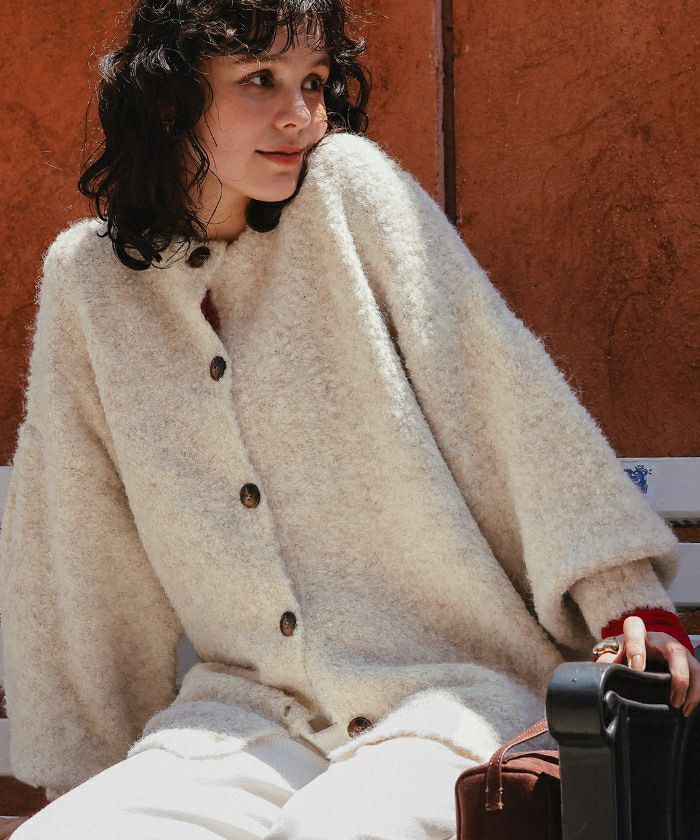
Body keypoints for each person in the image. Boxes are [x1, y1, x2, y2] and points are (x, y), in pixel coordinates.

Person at [1, 1, 697, 838]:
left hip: (445, 699)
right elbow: (74, 533)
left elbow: (504, 391)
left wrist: (625, 602)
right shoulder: (90, 283)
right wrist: (80, 769)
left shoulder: (348, 193)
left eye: (315, 81)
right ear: (170, 99)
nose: (300, 114)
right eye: (261, 80)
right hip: (243, 720)